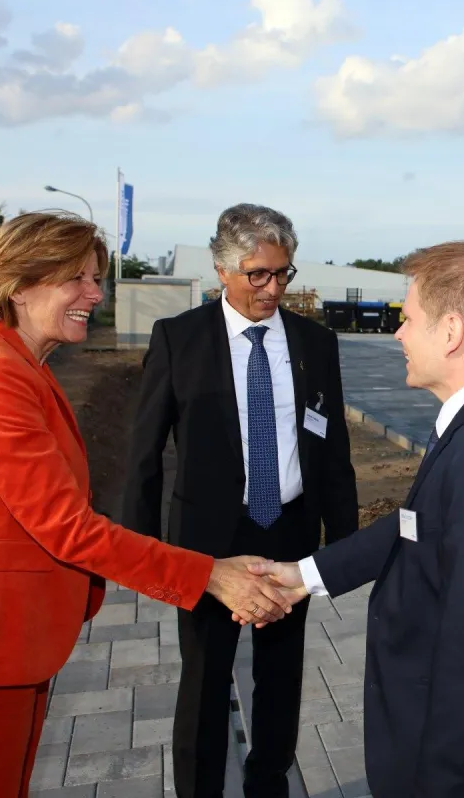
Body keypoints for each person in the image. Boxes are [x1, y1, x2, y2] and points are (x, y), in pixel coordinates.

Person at [0, 211, 293, 798]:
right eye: (76, 278)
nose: (94, 294)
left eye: (95, 277)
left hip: (5, 636)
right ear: (19, 284)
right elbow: (67, 529)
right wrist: (207, 575)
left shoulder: (20, 364)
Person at [247, 242, 464, 798]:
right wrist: (307, 575)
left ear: (450, 332)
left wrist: (440, 784)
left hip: (460, 751)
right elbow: (416, 522)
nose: (398, 334)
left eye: (408, 320)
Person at [121, 203, 358, 798]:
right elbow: (143, 453)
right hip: (208, 543)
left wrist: (346, 551)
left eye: (283, 273)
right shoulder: (178, 339)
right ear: (222, 269)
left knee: (281, 675)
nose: (273, 288)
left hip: (289, 533)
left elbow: (333, 451)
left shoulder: (315, 342)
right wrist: (141, 552)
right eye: (259, 274)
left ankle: (268, 779)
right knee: (204, 681)